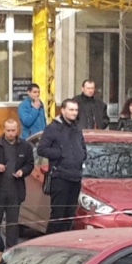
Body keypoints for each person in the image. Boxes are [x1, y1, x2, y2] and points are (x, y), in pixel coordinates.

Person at [0, 119, 35, 248]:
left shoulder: (25, 146)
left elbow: (30, 164)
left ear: (18, 130)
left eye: (13, 130)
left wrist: (22, 171)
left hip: (15, 192)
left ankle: (11, 249)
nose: (10, 133)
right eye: (8, 130)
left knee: (12, 224)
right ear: (3, 129)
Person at [37, 98, 87, 234]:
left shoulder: (77, 128)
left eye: (76, 110)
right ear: (63, 110)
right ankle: (50, 244)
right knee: (57, 216)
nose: (74, 113)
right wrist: (60, 153)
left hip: (75, 177)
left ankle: (65, 245)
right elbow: (41, 149)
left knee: (69, 216)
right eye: (71, 110)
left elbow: (82, 146)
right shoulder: (53, 128)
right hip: (60, 177)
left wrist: (82, 154)